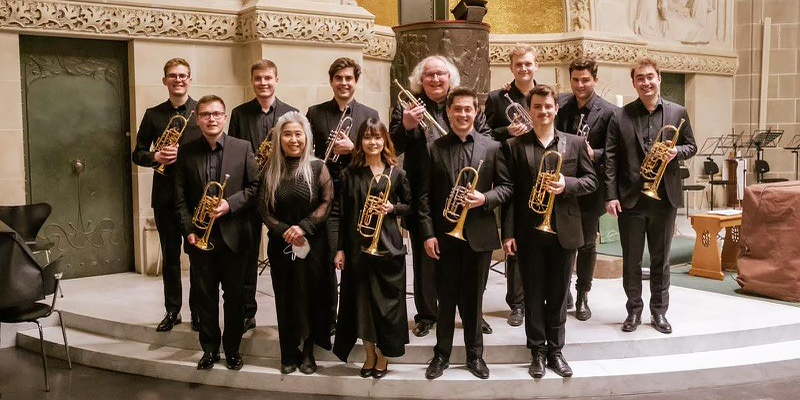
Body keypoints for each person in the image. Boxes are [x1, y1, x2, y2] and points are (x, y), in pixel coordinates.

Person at [390, 55, 492, 338]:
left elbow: (486, 140)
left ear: (450, 78)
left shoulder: (464, 104)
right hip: (422, 192)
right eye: (429, 75)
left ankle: (472, 314)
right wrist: (406, 125)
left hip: (463, 190)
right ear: (420, 80)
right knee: (426, 260)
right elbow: (392, 147)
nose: (435, 79)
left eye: (441, 74)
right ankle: (427, 314)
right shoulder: (407, 106)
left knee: (469, 259)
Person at [502, 84, 597, 378]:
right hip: (529, 231)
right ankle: (537, 352)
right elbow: (509, 194)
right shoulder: (514, 146)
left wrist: (567, 184)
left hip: (564, 230)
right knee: (532, 294)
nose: (543, 111)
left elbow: (591, 181)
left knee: (558, 295)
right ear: (529, 110)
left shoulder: (574, 143)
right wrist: (508, 233)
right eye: (537, 107)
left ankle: (556, 351)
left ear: (556, 109)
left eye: (548, 106)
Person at [419, 87, 512, 380]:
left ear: (476, 112)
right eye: (457, 109)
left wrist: (485, 198)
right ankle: (441, 355)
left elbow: (506, 188)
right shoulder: (434, 148)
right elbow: (423, 198)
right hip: (444, 236)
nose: (462, 114)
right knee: (445, 299)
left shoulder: (492, 147)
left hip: (478, 235)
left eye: (467, 109)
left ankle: (475, 356)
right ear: (448, 112)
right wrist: (428, 234)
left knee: (474, 300)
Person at [604, 58, 697, 335]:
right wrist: (610, 195)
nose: (645, 82)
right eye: (640, 78)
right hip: (631, 199)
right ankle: (634, 310)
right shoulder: (620, 116)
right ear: (634, 83)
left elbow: (691, 145)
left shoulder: (678, 112)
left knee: (661, 260)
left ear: (659, 78)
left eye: (650, 77)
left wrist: (676, 152)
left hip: (664, 198)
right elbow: (610, 159)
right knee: (632, 260)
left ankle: (659, 312)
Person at [174, 95, 259, 371]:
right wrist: (189, 230)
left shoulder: (242, 147)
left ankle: (232, 350)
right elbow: (180, 197)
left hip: (234, 238)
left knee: (234, 299)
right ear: (198, 120)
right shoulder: (186, 151)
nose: (211, 119)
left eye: (216, 114)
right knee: (205, 298)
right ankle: (209, 350)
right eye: (205, 114)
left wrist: (229, 204)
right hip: (200, 238)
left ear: (224, 118)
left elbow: (255, 188)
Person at [332, 118, 412, 379]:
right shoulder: (349, 174)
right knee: (362, 307)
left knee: (388, 307)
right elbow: (342, 214)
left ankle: (384, 355)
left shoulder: (397, 174)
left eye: (377, 137)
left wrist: (392, 208)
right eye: (367, 137)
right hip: (358, 249)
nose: (373, 142)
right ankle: (369, 355)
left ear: (385, 141)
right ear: (360, 142)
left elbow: (410, 206)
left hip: (389, 249)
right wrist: (340, 249)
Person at [257, 111, 334, 375]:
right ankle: (288, 353)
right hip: (281, 246)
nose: (293, 140)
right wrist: (284, 231)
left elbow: (327, 202)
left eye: (298, 134)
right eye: (287, 134)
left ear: (306, 137)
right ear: (279, 138)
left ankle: (308, 352)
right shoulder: (269, 170)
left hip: (312, 244)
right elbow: (263, 208)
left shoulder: (318, 167)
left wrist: (303, 227)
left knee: (310, 297)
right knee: (285, 298)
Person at [307, 57, 380, 334]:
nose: (344, 83)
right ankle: (329, 318)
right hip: (325, 192)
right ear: (331, 81)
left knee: (356, 256)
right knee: (328, 256)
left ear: (356, 82)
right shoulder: (315, 113)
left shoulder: (369, 113)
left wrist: (353, 149)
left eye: (349, 78)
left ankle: (357, 317)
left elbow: (378, 154)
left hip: (357, 193)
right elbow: (308, 153)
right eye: (338, 78)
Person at [131, 58, 202, 333]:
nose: (178, 80)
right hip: (164, 197)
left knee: (197, 258)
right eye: (173, 75)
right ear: (165, 81)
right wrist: (156, 156)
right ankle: (173, 310)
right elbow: (137, 154)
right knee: (170, 258)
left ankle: (198, 311)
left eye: (183, 75)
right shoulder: (153, 114)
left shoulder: (201, 110)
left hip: (195, 197)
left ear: (190, 79)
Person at [228, 59, 299, 332]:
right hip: (249, 191)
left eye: (268, 78)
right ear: (252, 81)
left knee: (285, 251)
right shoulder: (239, 113)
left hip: (280, 191)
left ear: (276, 80)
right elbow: (232, 152)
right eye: (258, 78)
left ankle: (290, 310)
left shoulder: (290, 112)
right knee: (247, 254)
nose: (263, 83)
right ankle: (247, 311)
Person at [554, 57, 617, 321]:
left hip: (591, 187)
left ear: (595, 80)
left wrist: (594, 153)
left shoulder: (610, 111)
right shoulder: (561, 104)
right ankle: (564, 292)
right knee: (563, 242)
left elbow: (614, 152)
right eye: (575, 80)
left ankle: (582, 296)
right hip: (562, 185)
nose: (580, 85)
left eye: (585, 80)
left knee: (588, 244)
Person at [483, 44, 539, 327]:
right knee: (513, 238)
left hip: (541, 172)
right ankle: (516, 304)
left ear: (536, 65)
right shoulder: (498, 98)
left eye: (528, 64)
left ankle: (544, 296)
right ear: (511, 67)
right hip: (511, 174)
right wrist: (507, 131)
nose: (524, 69)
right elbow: (484, 134)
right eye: (519, 64)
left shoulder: (545, 95)